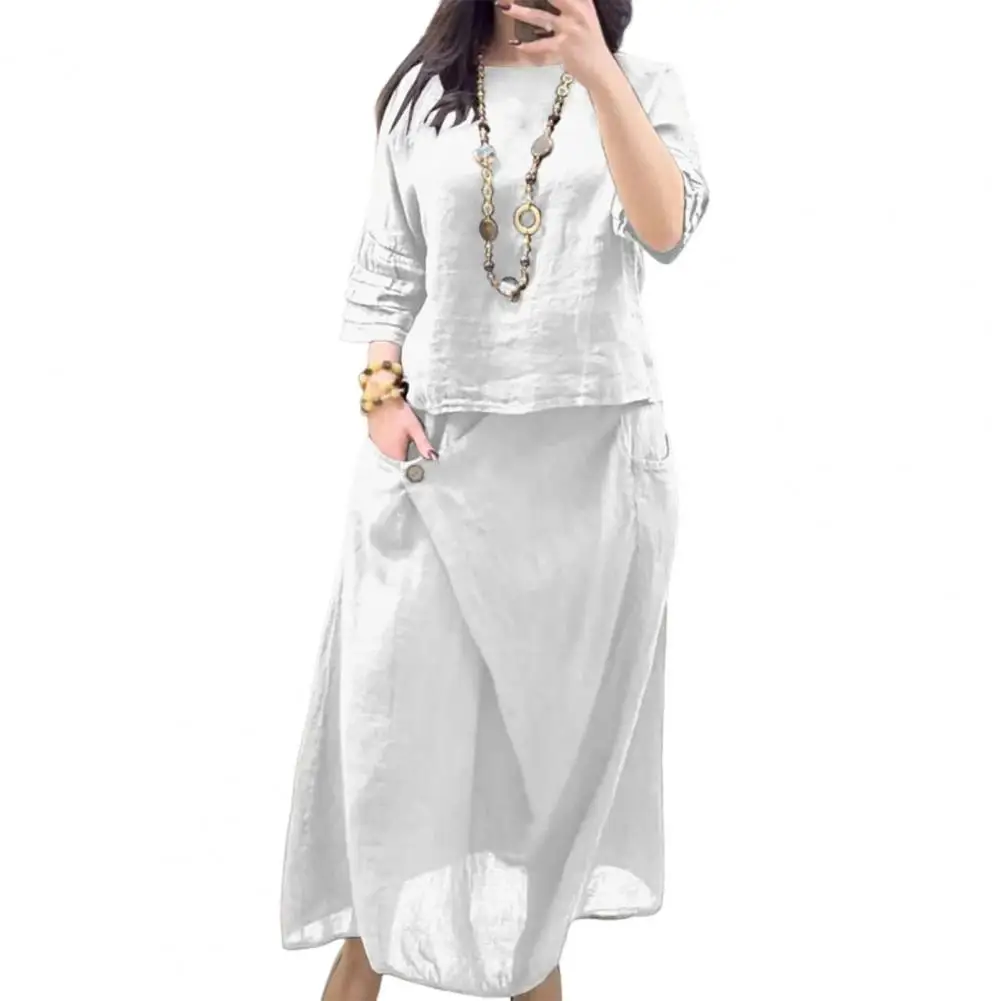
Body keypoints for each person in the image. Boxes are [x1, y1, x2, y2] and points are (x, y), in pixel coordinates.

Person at [280, 1, 710, 998]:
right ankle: (368, 952)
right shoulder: (424, 97)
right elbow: (388, 267)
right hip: (437, 467)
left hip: (589, 473)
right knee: (392, 756)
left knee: (539, 783)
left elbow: (663, 229)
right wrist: (380, 394)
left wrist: (596, 70)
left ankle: (523, 958)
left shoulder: (643, 86)